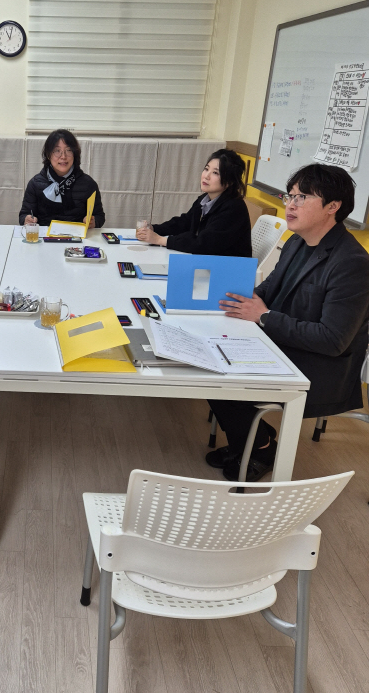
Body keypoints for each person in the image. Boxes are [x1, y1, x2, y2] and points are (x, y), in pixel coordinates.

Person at [206, 163, 369, 482]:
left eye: (302, 197)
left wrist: (263, 316)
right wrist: (243, 300)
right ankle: (248, 440)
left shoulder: (352, 264)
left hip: (318, 365)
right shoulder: (296, 241)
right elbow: (271, 288)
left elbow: (333, 340)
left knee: (222, 373)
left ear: (332, 207)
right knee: (208, 358)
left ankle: (260, 445)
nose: (289, 204)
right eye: (289, 195)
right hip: (280, 341)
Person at [136, 148, 252, 256]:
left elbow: (205, 244)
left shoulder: (234, 208)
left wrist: (160, 240)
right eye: (206, 169)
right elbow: (184, 223)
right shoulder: (204, 199)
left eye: (215, 173)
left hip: (228, 270)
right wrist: (154, 229)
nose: (206, 176)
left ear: (230, 181)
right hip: (209, 263)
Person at [19, 129, 105, 228]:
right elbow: (23, 215)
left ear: (75, 154)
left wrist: (93, 222)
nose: (63, 156)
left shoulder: (88, 184)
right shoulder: (35, 183)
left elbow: (99, 216)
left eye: (68, 150)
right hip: (44, 239)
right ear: (48, 154)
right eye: (57, 151)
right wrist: (27, 219)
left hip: (76, 239)